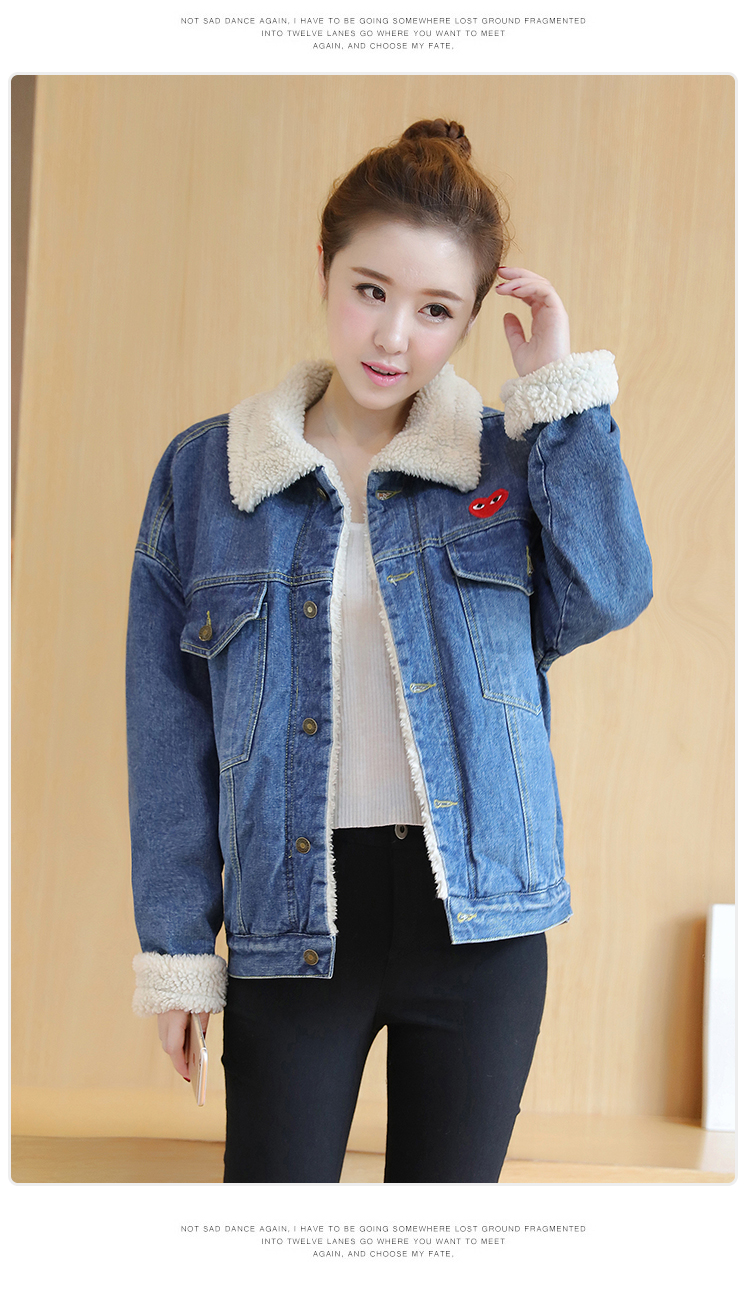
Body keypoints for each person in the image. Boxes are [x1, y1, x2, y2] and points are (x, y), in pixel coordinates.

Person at [126, 118, 652, 1183]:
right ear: (324, 266)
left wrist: (558, 402)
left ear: (471, 320)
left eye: (436, 309)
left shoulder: (507, 465)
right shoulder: (208, 475)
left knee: (440, 1243)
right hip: (293, 922)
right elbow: (167, 726)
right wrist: (179, 949)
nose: (393, 336)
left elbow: (609, 590)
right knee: (273, 1234)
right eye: (371, 289)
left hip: (480, 926)